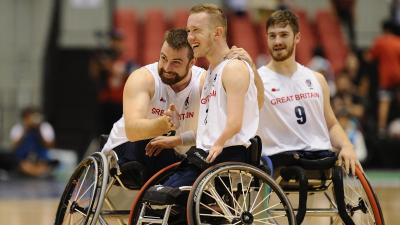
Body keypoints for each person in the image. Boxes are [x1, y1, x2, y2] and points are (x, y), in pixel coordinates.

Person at [160, 3, 263, 188]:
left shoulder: (234, 68)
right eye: (188, 30)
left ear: (217, 33)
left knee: (165, 196)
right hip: (206, 155)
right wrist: (178, 125)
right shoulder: (206, 76)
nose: (190, 37)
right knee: (158, 193)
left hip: (228, 154)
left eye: (196, 30)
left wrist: (218, 143)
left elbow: (236, 123)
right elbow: (208, 128)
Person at [257, 9, 358, 175]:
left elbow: (331, 124)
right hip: (279, 161)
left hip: (318, 158)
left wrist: (347, 146)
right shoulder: (258, 81)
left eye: (283, 35)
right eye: (272, 36)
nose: (277, 41)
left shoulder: (317, 79)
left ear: (297, 37)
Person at [101, 29, 204, 184]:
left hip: (177, 155)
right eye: (163, 58)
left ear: (192, 62)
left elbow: (215, 131)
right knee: (159, 145)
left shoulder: (204, 82)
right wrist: (163, 124)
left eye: (176, 62)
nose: (167, 67)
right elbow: (133, 130)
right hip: (128, 150)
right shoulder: (143, 78)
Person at [365, 20, 400, 137]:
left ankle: (381, 130)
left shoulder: (381, 41)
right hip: (398, 76)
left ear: (385, 30)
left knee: (384, 101)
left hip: (386, 78)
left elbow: (369, 57)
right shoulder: (398, 41)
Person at [9, 106, 57, 177]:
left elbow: (50, 146)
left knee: (48, 164)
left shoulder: (45, 127)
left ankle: (37, 172)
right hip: (23, 159)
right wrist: (25, 130)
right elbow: (13, 147)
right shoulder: (18, 128)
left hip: (40, 159)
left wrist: (39, 130)